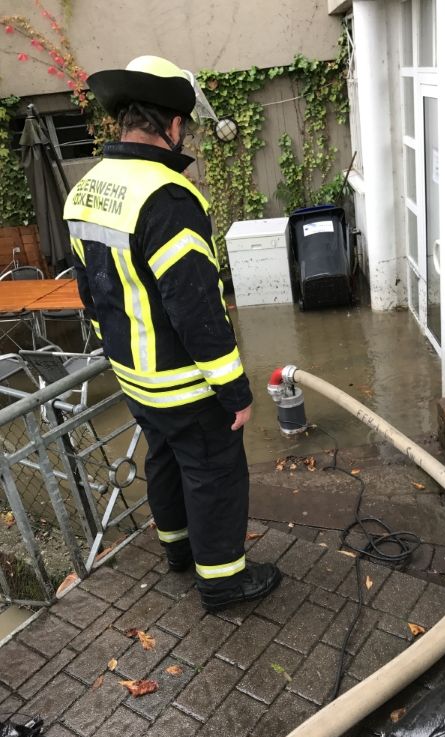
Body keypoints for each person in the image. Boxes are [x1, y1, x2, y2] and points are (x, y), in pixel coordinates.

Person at [63, 55, 281, 611]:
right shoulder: (167, 198)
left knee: (163, 457)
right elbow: (197, 309)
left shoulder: (86, 190)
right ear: (174, 123)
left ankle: (178, 550)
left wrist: (118, 352)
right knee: (214, 472)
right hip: (184, 383)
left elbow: (90, 293)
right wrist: (234, 390)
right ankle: (223, 582)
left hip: (133, 378)